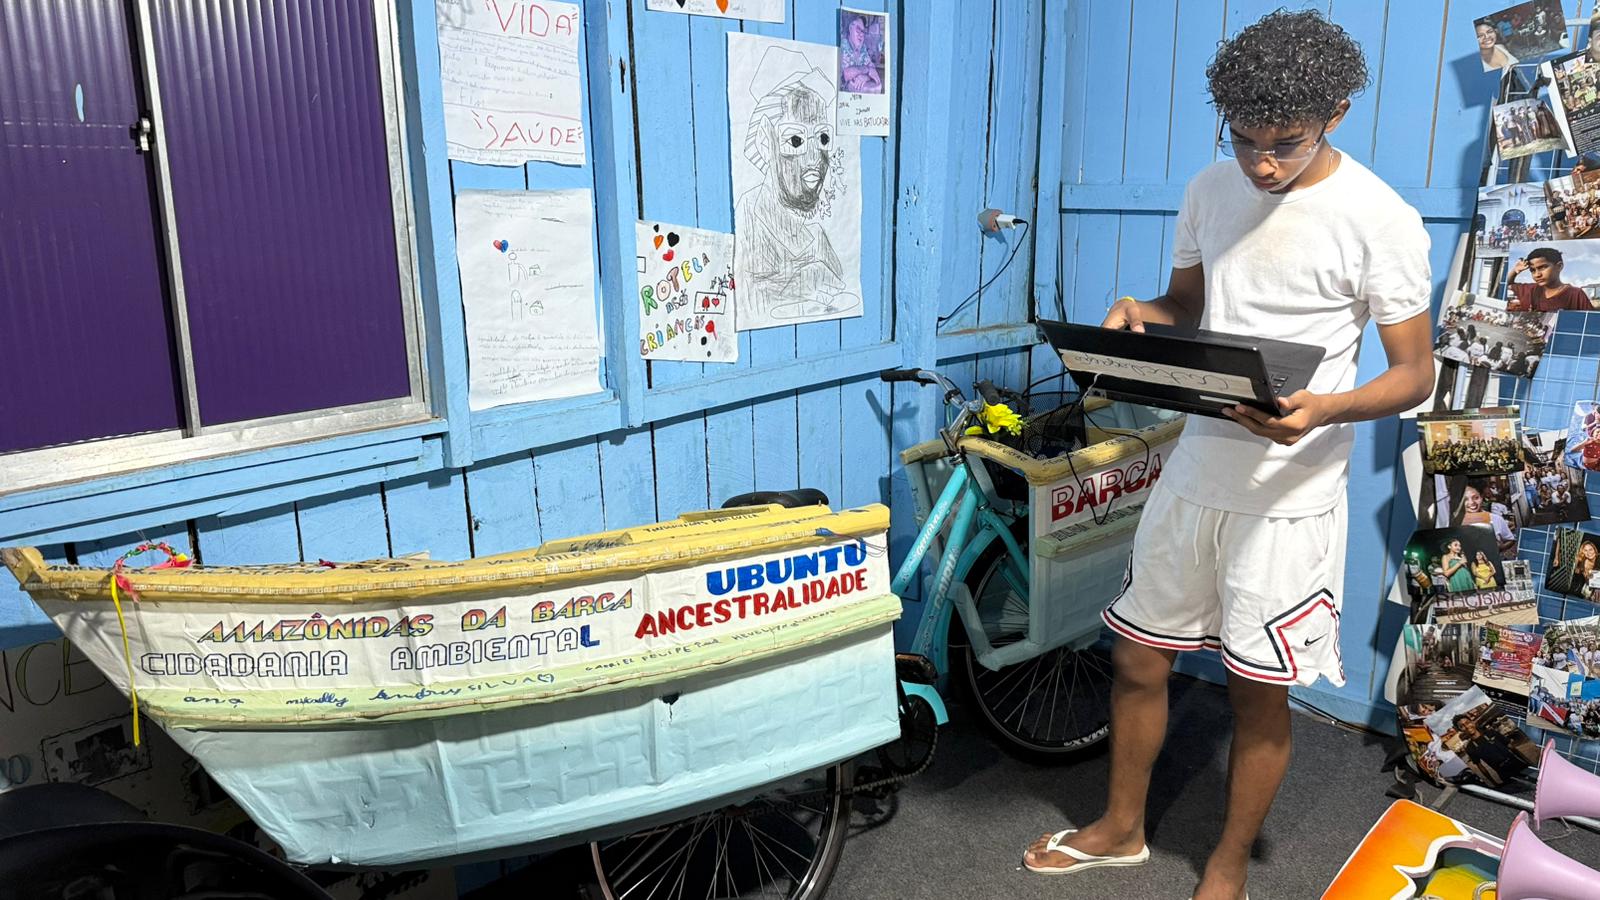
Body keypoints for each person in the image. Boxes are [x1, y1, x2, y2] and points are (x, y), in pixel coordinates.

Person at [1022, 13, 1435, 899]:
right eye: (1243, 140)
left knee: (1257, 691)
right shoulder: (1211, 189)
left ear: (1337, 112)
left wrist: (1327, 410)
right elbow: (1185, 306)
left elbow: (1415, 375)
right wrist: (1141, 313)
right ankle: (1121, 829)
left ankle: (1227, 863)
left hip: (1289, 496)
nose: (1261, 165)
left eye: (1284, 144)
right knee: (1138, 658)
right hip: (1195, 470)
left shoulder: (1382, 219)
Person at [1505, 247, 1595, 311]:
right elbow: (1507, 284)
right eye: (1532, 270)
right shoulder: (1531, 289)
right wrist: (1515, 271)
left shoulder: (1575, 294)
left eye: (1542, 267)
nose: (1537, 275)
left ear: (1559, 266)